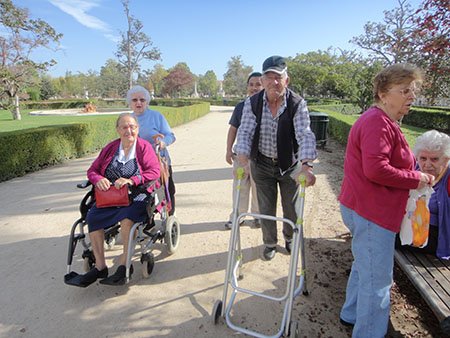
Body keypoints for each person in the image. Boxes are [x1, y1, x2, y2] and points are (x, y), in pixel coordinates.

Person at [338, 64, 435, 337]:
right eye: (404, 90)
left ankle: (351, 315)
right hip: (372, 213)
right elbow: (376, 169)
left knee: (363, 265)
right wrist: (415, 178)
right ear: (383, 93)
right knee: (377, 280)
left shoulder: (383, 121)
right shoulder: (377, 122)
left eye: (412, 90)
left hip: (365, 208)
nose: (411, 96)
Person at [235, 55, 317, 261]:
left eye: (278, 77)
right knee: (266, 207)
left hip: (289, 165)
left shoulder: (297, 103)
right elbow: (245, 132)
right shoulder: (252, 103)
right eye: (269, 77)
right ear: (262, 81)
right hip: (261, 163)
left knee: (291, 207)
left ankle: (289, 238)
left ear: (286, 80)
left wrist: (307, 165)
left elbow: (304, 133)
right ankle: (270, 243)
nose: (274, 82)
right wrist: (243, 158)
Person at [79, 113, 160, 286]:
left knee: (126, 219)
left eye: (132, 127)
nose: (128, 130)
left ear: (137, 129)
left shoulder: (144, 147)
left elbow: (154, 172)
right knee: (93, 217)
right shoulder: (110, 148)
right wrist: (98, 179)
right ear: (118, 130)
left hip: (136, 195)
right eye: (124, 127)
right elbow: (92, 170)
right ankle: (100, 266)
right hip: (109, 196)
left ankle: (124, 265)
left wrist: (132, 180)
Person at [399, 130, 449, 258]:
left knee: (382, 238)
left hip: (436, 236)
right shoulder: (414, 169)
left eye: (434, 159)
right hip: (410, 227)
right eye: (423, 158)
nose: (427, 164)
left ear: (445, 159)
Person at [127, 85, 177, 216]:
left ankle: (170, 216)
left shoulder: (156, 116)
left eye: (142, 100)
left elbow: (170, 136)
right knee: (141, 192)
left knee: (167, 190)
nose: (138, 103)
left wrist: (162, 142)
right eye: (135, 100)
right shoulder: (127, 119)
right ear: (130, 103)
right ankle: (145, 219)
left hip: (158, 159)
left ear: (147, 102)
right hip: (137, 162)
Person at [225, 71, 263, 229]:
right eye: (251, 84)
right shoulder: (241, 106)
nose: (254, 88)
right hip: (241, 155)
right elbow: (233, 129)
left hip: (261, 157)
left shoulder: (268, 106)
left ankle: (258, 215)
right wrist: (228, 150)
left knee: (258, 188)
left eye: (258, 84)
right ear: (247, 87)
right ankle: (238, 216)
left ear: (264, 85)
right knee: (240, 187)